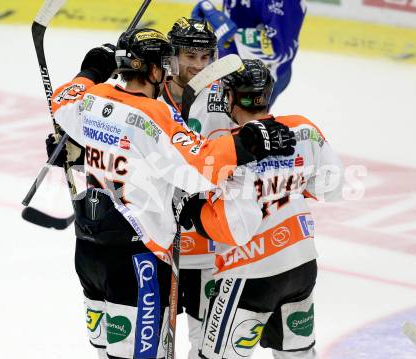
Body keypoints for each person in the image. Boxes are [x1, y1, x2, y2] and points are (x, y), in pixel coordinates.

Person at [45, 28, 296, 359]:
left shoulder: (93, 99)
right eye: (163, 64)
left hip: (90, 252)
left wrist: (92, 69)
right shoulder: (154, 115)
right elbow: (200, 167)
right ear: (152, 70)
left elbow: (61, 99)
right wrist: (246, 143)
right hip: (136, 255)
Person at [182, 59, 344, 359]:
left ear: (230, 98)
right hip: (301, 264)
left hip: (250, 273)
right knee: (297, 354)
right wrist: (288, 184)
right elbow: (332, 184)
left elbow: (235, 227)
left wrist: (196, 211)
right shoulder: (302, 128)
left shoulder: (229, 150)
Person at [160, 17, 238, 359]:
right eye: (190, 56)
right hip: (159, 237)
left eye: (205, 57)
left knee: (206, 342)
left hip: (207, 239)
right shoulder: (149, 94)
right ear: (172, 55)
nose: (198, 65)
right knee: (155, 337)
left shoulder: (224, 96)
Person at [191, 0, 306, 106]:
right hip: (230, 66)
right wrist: (213, 25)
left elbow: (278, 49)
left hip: (261, 77)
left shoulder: (287, 2)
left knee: (236, 125)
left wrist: (229, 35)